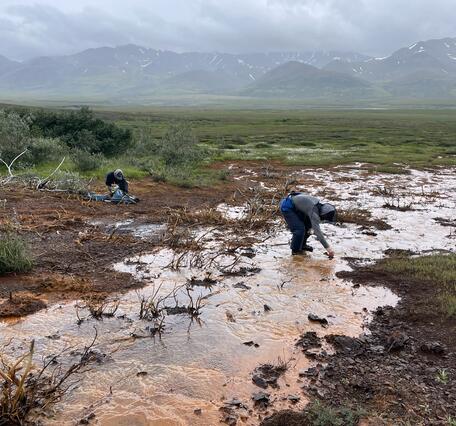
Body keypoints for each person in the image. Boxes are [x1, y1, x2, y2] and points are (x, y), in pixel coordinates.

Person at [279, 192, 336, 258]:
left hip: (297, 208)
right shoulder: (314, 212)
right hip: (287, 206)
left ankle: (302, 245)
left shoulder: (317, 205)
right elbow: (318, 233)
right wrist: (329, 249)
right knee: (299, 230)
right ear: (324, 214)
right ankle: (295, 251)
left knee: (308, 226)